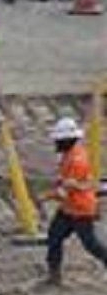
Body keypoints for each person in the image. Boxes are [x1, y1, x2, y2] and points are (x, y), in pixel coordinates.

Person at [44, 116, 107, 284]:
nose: (55, 144)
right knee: (54, 237)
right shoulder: (70, 154)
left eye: (58, 140)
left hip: (81, 209)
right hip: (69, 208)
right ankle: (54, 275)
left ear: (67, 140)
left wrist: (47, 196)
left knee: (91, 245)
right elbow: (65, 182)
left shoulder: (77, 160)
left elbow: (66, 190)